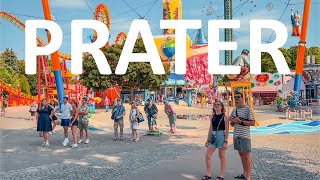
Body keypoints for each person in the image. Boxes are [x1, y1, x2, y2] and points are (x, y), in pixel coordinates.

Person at [230, 92, 256, 180]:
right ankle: (244, 174)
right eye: (234, 97)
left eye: (238, 97)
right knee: (241, 154)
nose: (236, 99)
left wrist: (241, 122)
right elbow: (231, 124)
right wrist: (234, 121)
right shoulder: (235, 110)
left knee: (247, 156)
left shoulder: (248, 109)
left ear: (242, 98)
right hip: (236, 135)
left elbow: (253, 122)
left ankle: (248, 176)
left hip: (245, 136)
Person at [202, 101, 230, 180]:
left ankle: (221, 175)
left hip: (221, 136)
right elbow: (210, 129)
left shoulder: (225, 117)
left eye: (218, 105)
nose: (217, 106)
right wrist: (207, 140)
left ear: (221, 107)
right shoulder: (213, 116)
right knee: (208, 155)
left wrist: (225, 141)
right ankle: (209, 174)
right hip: (213, 136)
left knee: (221, 156)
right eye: (215, 105)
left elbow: (227, 131)